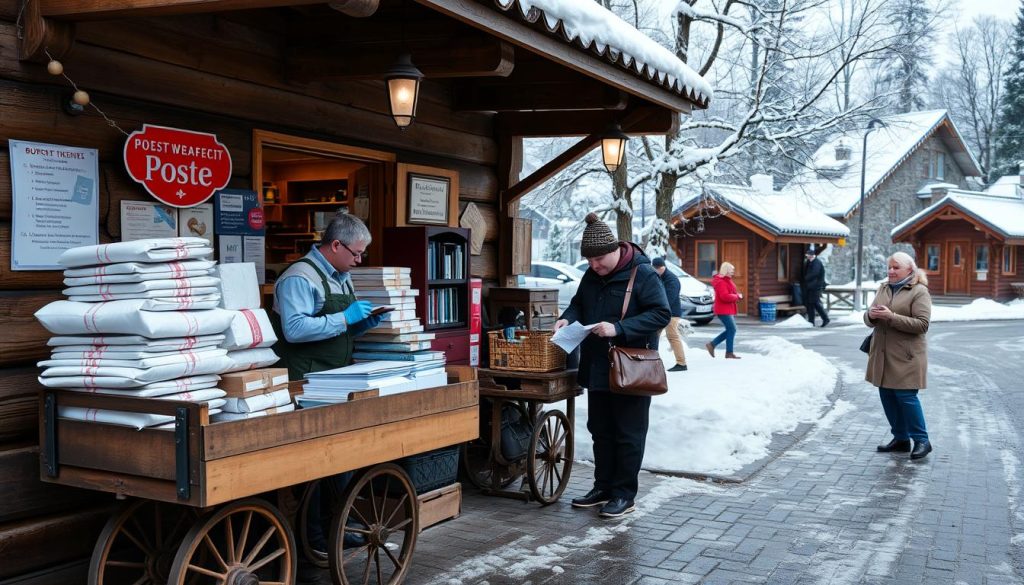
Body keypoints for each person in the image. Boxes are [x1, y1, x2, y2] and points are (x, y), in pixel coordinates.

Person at [269, 212, 383, 571]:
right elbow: (296, 329)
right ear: (335, 245)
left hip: (335, 380)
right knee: (316, 462)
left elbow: (335, 328)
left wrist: (360, 325)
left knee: (342, 459)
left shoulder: (341, 276)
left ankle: (338, 526)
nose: (358, 260)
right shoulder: (299, 278)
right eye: (356, 253)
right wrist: (346, 318)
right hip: (305, 382)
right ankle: (313, 537)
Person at [553, 212, 670, 519]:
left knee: (628, 433)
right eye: (590, 261)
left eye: (599, 259)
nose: (594, 266)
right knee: (600, 429)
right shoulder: (592, 275)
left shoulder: (642, 274)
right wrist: (568, 317)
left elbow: (661, 314)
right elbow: (579, 302)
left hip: (631, 367)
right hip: (597, 364)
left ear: (616, 250)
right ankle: (602, 487)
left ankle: (623, 494)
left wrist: (618, 328)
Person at [865, 251, 933, 460]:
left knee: (906, 397)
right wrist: (871, 316)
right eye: (890, 267)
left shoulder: (919, 291)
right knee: (887, 396)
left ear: (909, 270)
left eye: (896, 267)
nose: (891, 271)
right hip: (882, 353)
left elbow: (922, 325)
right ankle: (901, 439)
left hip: (906, 355)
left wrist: (891, 317)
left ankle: (922, 440)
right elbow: (869, 318)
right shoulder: (884, 287)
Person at [651, 256, 687, 372]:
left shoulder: (672, 279)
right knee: (653, 335)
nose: (657, 270)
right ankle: (650, 360)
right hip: (662, 312)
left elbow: (669, 299)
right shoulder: (658, 277)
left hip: (672, 313)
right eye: (655, 268)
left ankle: (681, 363)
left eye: (659, 268)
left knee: (672, 336)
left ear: (663, 267)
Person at [705, 262, 742, 359]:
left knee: (731, 330)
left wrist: (736, 295)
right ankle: (724, 350)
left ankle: (715, 346)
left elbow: (729, 292)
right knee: (732, 329)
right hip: (723, 310)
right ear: (726, 271)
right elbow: (724, 296)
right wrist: (737, 296)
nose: (733, 273)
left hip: (727, 309)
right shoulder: (721, 282)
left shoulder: (727, 280)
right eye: (731, 271)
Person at [801, 246, 830, 327]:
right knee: (810, 304)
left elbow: (814, 274)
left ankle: (825, 319)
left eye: (809, 255)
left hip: (816, 287)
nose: (808, 257)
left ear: (812, 255)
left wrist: (805, 278)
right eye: (807, 255)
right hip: (810, 287)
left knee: (815, 303)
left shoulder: (816, 263)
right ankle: (811, 322)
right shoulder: (810, 262)